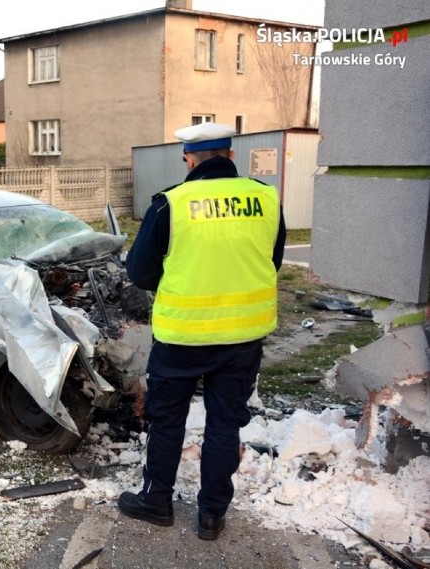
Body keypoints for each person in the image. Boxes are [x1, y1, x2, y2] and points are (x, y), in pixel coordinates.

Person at [117, 122, 286, 540]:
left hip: (182, 338)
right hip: (243, 338)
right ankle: (212, 515)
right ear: (230, 156)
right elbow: (274, 259)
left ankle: (157, 502)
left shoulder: (169, 205)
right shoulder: (266, 198)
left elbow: (138, 272)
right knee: (225, 425)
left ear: (189, 159)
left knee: (167, 420)